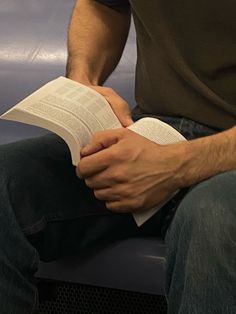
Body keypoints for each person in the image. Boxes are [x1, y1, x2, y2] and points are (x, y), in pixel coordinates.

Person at [0, 0, 235, 313]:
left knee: (212, 218)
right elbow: (102, 6)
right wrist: (83, 79)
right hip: (156, 129)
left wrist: (178, 165)